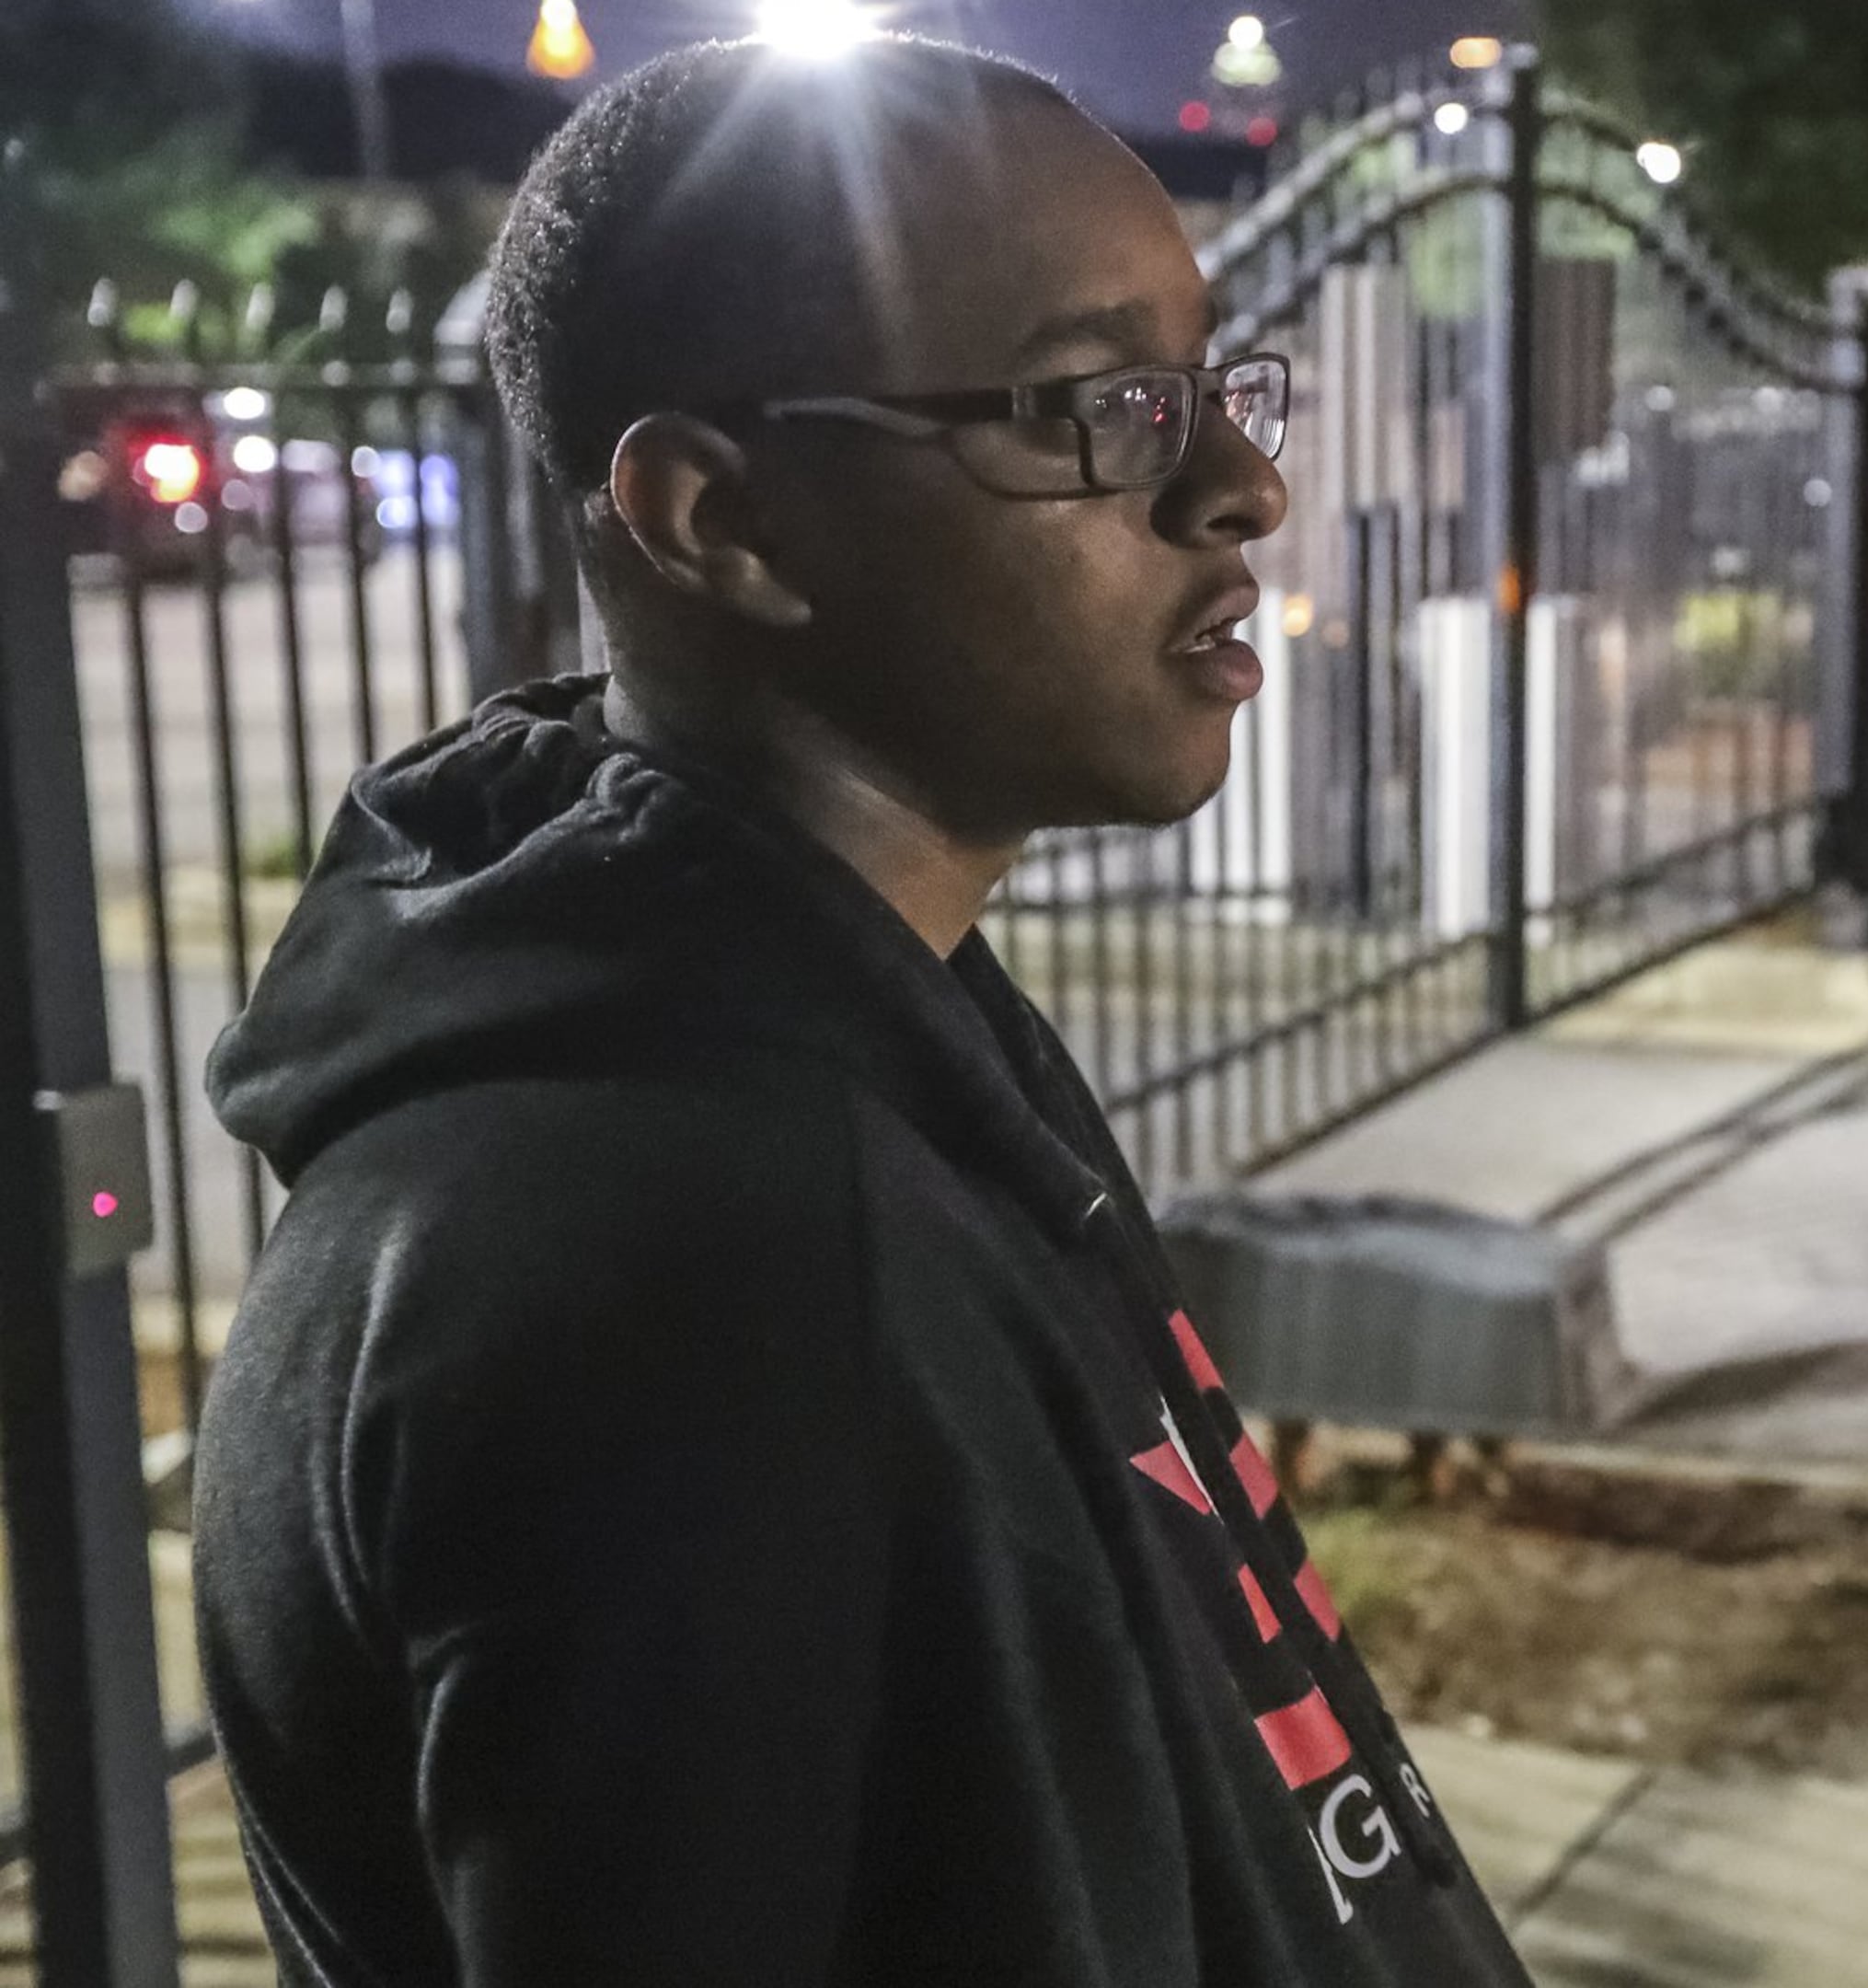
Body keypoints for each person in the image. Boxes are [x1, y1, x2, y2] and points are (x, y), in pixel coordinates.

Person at [194, 38, 1529, 1986]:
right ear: (718, 521)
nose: (1241, 483)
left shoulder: (848, 1033)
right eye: (1098, 408)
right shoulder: (701, 1284)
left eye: (1211, 385)